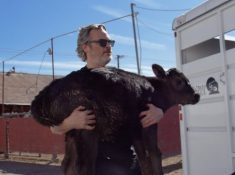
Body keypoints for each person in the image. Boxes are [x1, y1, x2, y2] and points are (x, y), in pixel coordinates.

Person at [50, 24, 164, 175]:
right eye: (103, 43)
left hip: (129, 167)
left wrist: (159, 111)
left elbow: (155, 101)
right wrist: (70, 122)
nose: (108, 46)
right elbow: (54, 127)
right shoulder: (71, 85)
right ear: (86, 47)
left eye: (110, 42)